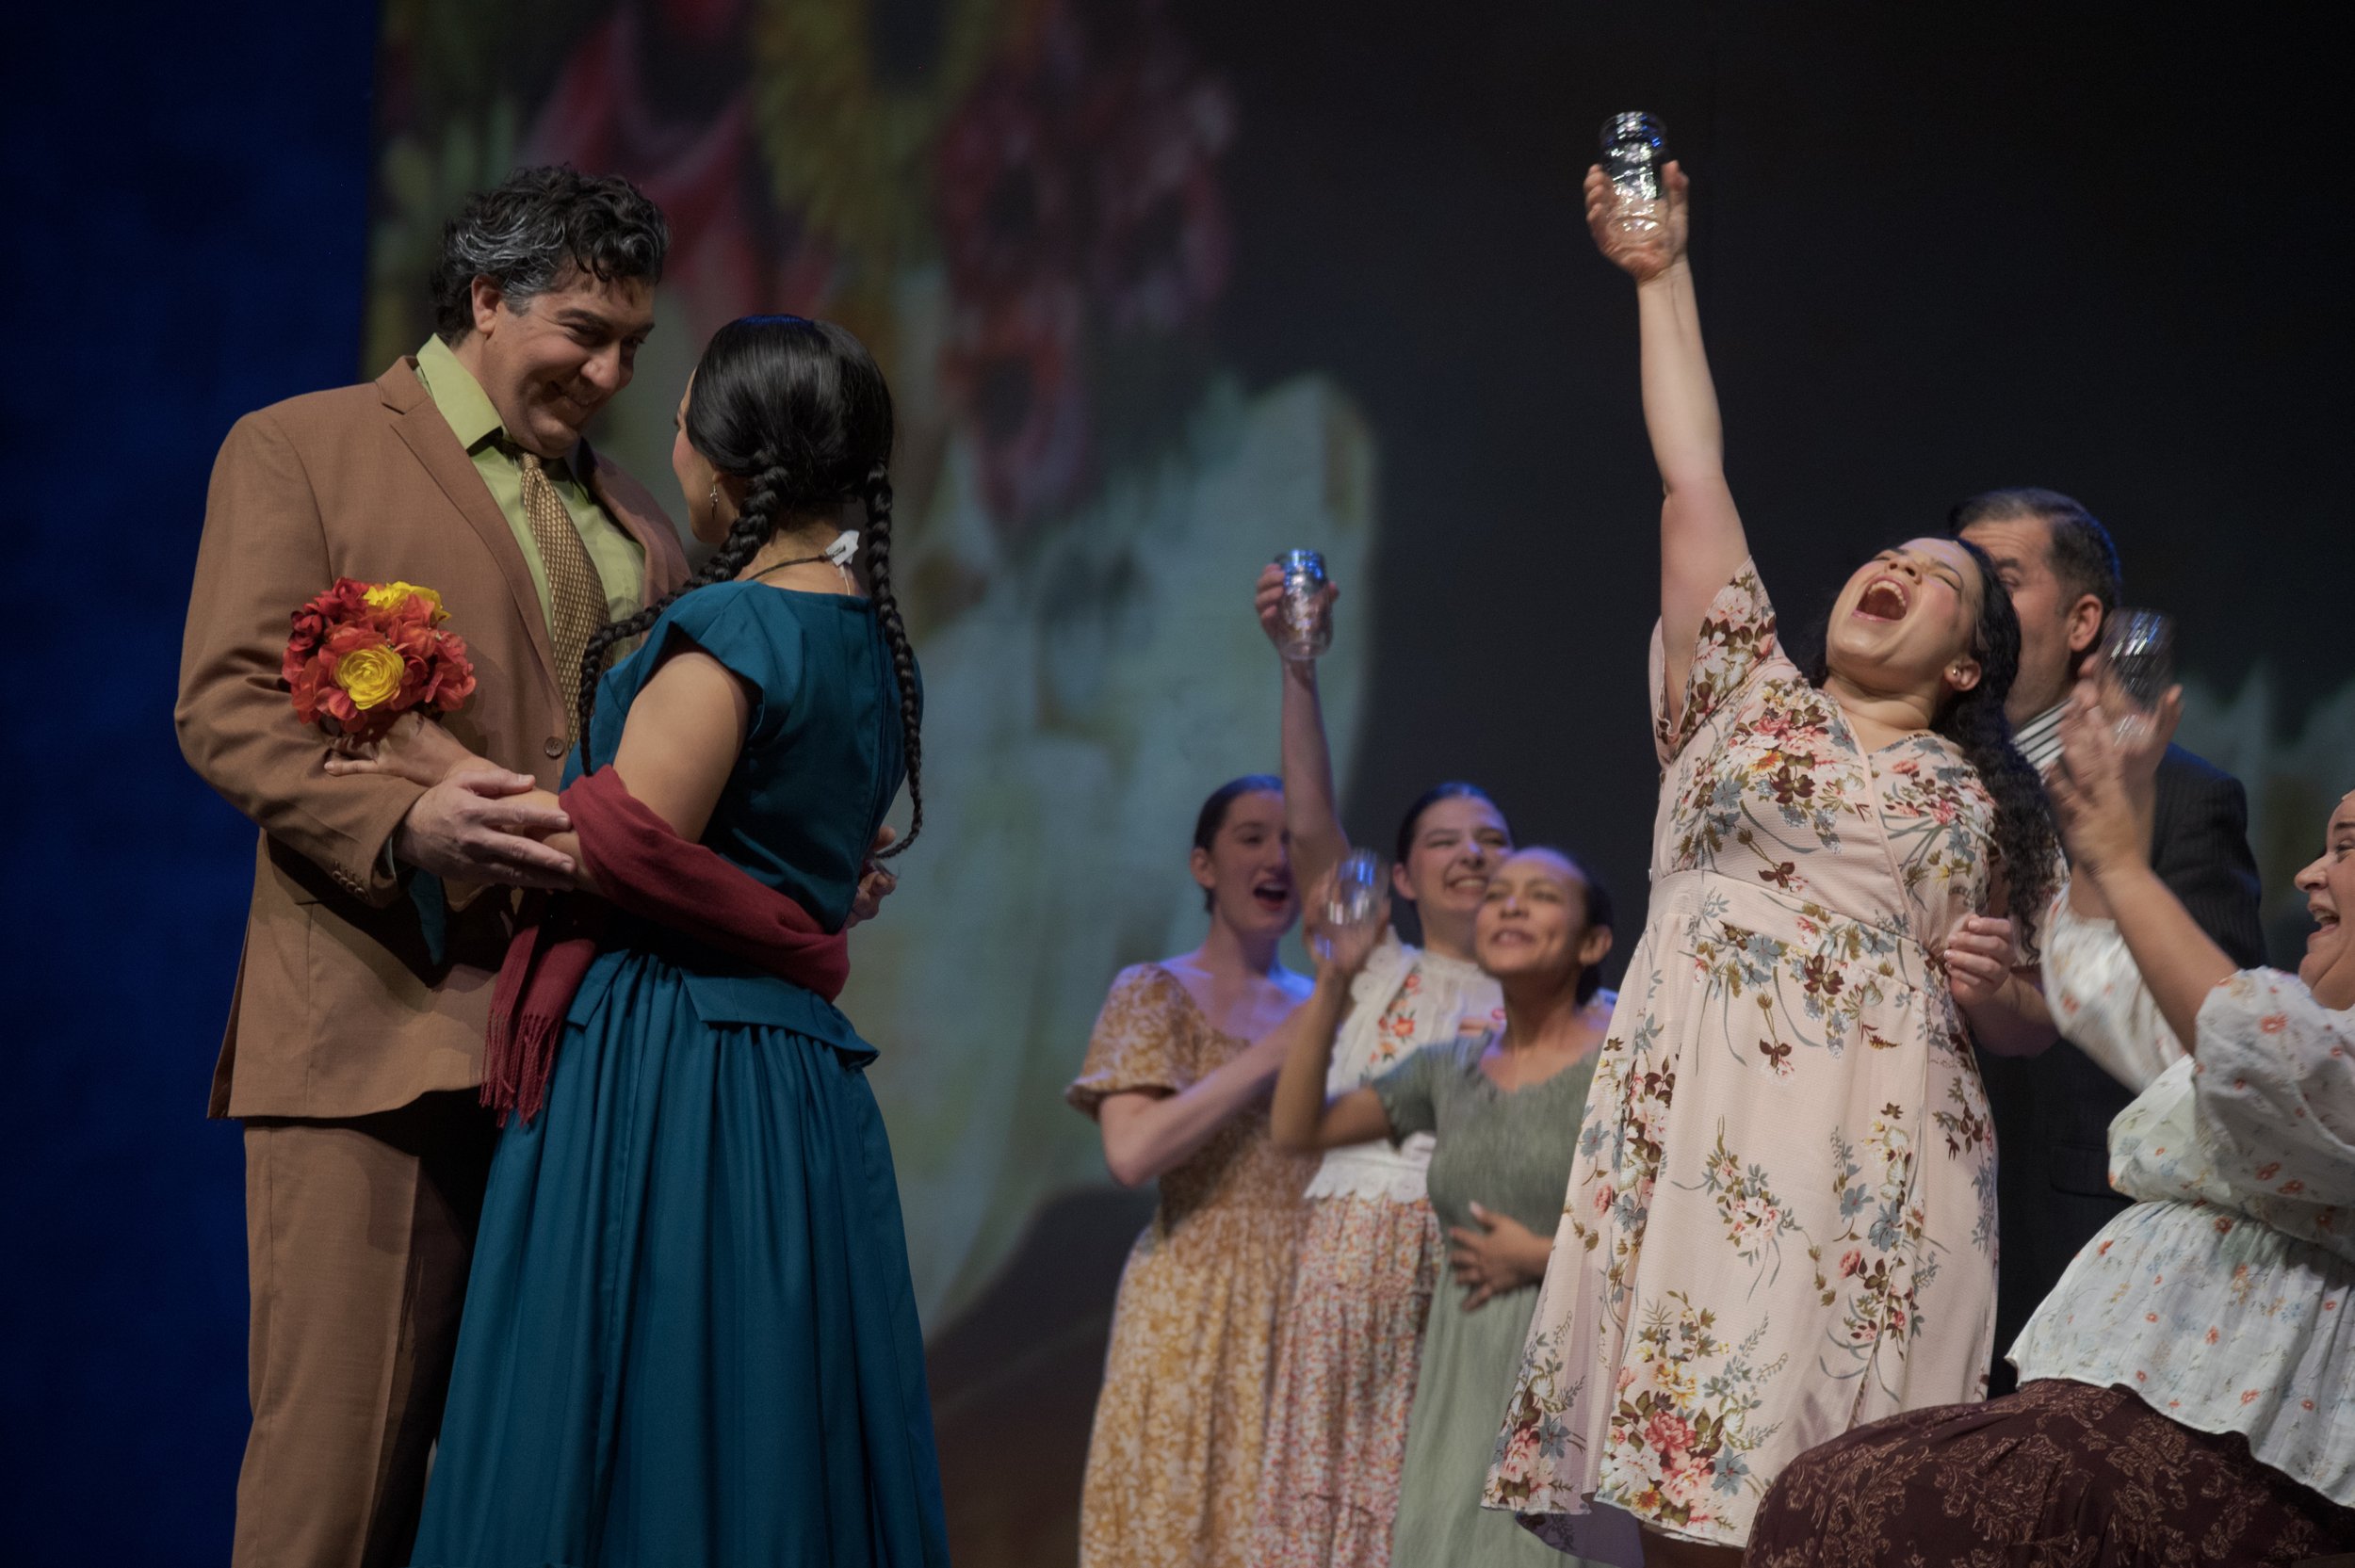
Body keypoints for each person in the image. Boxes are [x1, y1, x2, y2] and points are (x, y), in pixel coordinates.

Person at [1483, 162, 2059, 1566]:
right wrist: (1661, 274)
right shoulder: (1738, 692)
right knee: (1703, 1489)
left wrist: (1997, 991)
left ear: (1971, 658)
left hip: (1888, 1147)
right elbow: (1694, 472)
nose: (1898, 571)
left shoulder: (1993, 798)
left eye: (1940, 579)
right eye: (1888, 556)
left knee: (1848, 1508)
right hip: (1718, 1121)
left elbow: (2036, 1020)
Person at [329, 315, 943, 1564]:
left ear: (724, 454)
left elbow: (613, 842)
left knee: (641, 1424)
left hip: (675, 1066)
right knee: (760, 1427)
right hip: (782, 1079)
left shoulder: (744, 631)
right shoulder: (864, 640)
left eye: (678, 416)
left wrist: (423, 752)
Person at [174, 167, 686, 1568]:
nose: (611, 368)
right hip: (379, 1031)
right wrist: (409, 821)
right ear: (483, 296)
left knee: (534, 1504)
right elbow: (227, 705)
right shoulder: (306, 446)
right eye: (584, 329)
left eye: (635, 344)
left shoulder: (643, 523)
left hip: (587, 1052)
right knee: (337, 1496)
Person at [1746, 687, 2355, 1564]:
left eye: (2346, 849)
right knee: (1829, 1494)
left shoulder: (2292, 1044)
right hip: (2104, 1416)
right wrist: (2120, 828)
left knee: (1859, 1506)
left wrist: (2129, 866)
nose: (2310, 873)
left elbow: (2266, 1047)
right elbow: (2113, 996)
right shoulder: (2284, 1024)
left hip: (2225, 1450)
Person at [1947, 487, 2266, 1396]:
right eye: (1958, 576)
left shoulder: (2185, 798)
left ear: (2085, 619)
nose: (1973, 601)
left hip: (2062, 1235)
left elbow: (2216, 1044)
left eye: (2001, 578)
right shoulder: (1903, 786)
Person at [1245, 563, 1513, 1568]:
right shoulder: (1372, 965)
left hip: (1475, 1265)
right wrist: (1298, 670)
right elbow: (1312, 825)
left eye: (1493, 839)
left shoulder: (1561, 1007)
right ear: (1400, 877)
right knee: (1332, 1491)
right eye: (1444, 840)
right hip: (1353, 1255)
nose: (1472, 853)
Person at [1272, 849, 1617, 1566]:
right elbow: (1298, 1128)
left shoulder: (1626, 1056)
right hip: (1460, 1382)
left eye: (1541, 894)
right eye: (1498, 894)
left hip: (1572, 1375)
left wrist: (1538, 1256)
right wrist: (1335, 978)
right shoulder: (1447, 1067)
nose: (1511, 905)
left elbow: (1676, 1228)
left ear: (1593, 942)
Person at [1065, 776, 1321, 1568]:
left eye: (1292, 841)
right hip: (1191, 1305)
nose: (1276, 856)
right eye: (1252, 837)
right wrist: (1272, 1055)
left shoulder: (1329, 1007)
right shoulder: (1155, 991)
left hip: (1308, 1309)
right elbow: (1132, 1151)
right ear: (1204, 865)